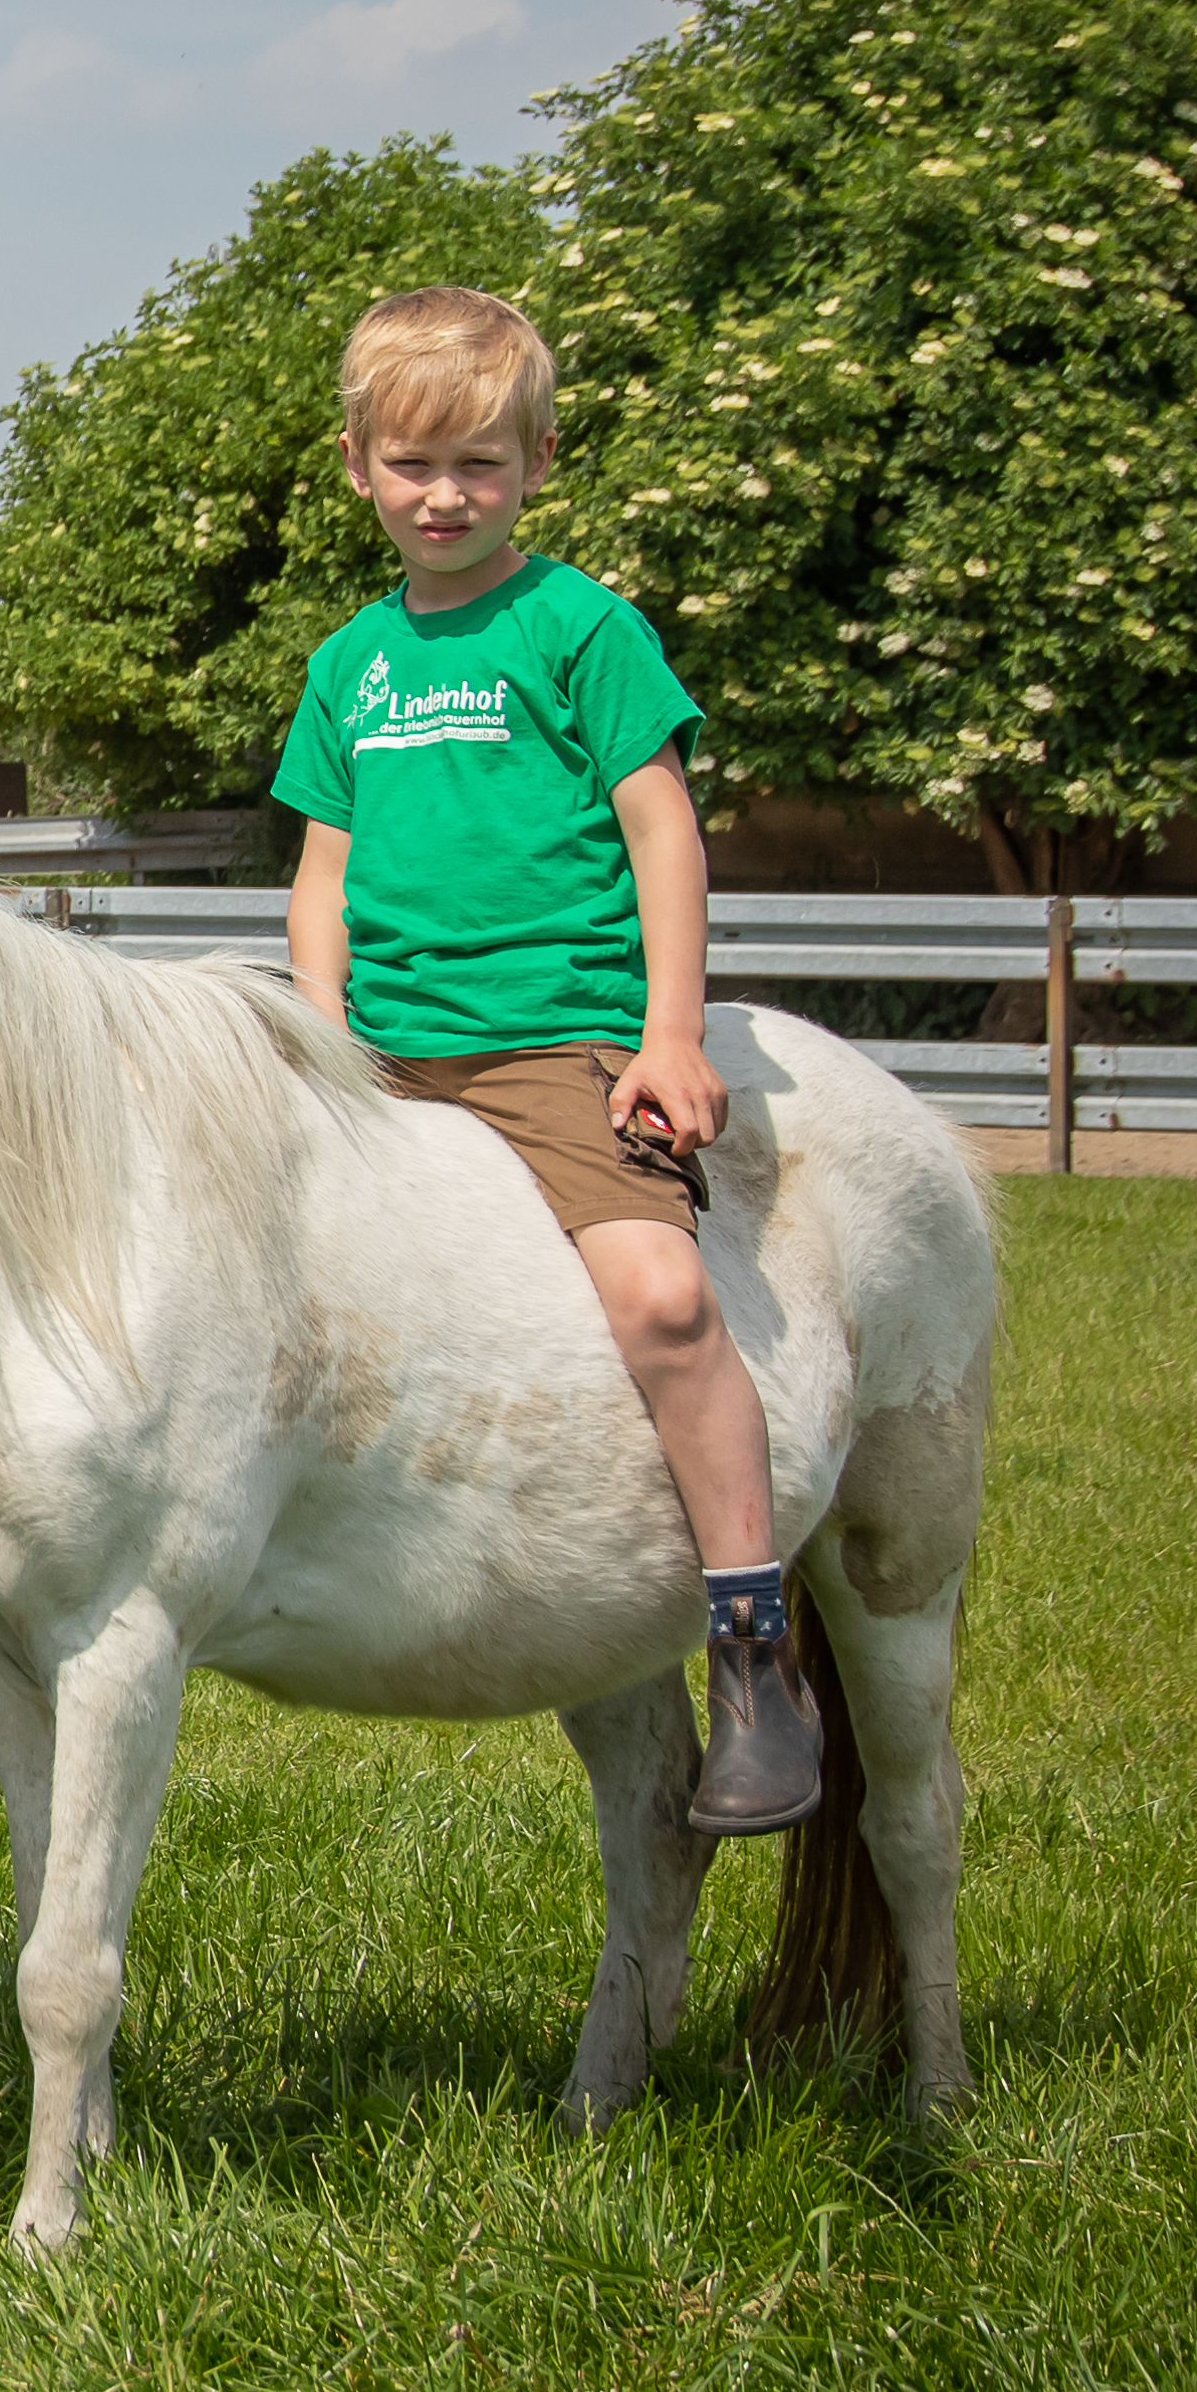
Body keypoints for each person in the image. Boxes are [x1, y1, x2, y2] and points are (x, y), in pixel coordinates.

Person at [274, 286, 812, 1833]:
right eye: (413, 465)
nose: (445, 496)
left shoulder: (580, 626)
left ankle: (747, 1640)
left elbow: (662, 830)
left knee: (660, 1295)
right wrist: (319, 1035)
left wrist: (663, 1034)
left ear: (537, 463)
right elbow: (324, 865)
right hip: (383, 1049)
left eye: (481, 467)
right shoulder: (349, 664)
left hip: (552, 1034)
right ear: (357, 467)